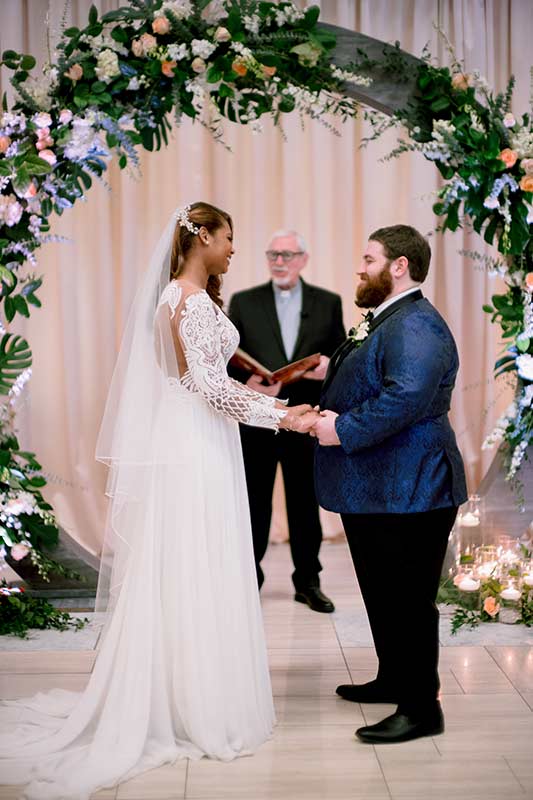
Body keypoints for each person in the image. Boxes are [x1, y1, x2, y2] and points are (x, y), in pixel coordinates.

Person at [0, 203, 313, 798]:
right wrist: (282, 415)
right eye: (229, 237)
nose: (233, 250)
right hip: (195, 443)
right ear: (201, 238)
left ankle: (184, 692)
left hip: (195, 436)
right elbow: (208, 387)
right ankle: (190, 706)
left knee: (190, 565)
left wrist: (271, 409)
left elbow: (206, 384)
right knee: (196, 563)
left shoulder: (181, 296)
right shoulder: (188, 301)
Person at [311, 225, 467, 743]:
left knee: (408, 599)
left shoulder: (416, 323)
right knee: (382, 591)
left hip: (413, 487)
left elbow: (407, 396)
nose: (361, 266)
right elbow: (378, 377)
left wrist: (341, 429)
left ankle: (422, 708)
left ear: (399, 266)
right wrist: (329, 373)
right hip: (381, 486)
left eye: (369, 258)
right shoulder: (389, 318)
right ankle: (395, 678)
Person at [228, 230, 345, 612]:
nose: (279, 261)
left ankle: (308, 581)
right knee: (254, 502)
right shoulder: (244, 301)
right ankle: (249, 578)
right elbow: (227, 358)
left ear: (303, 259)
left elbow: (340, 359)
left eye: (287, 255)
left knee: (304, 503)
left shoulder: (328, 302)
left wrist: (327, 370)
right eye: (272, 254)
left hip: (306, 420)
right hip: (258, 421)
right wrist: (249, 382)